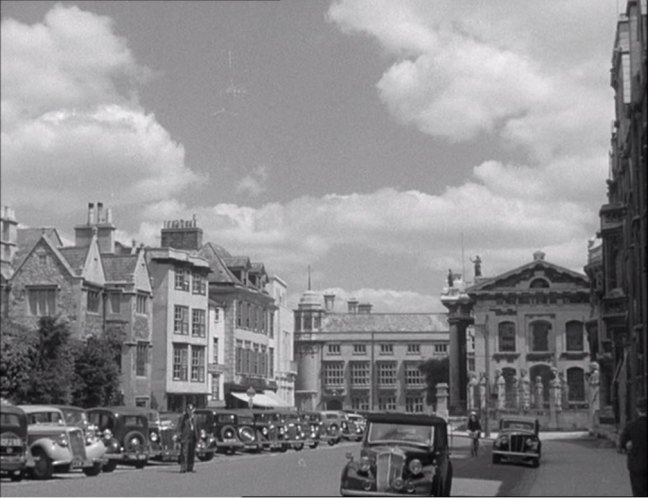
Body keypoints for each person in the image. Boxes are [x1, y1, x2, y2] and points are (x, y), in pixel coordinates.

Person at [619, 398, 647, 496]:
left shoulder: (631, 426)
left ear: (637, 410)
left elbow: (622, 444)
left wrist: (627, 444)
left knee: (638, 492)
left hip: (636, 465)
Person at [176, 403, 200, 473]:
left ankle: (190, 467)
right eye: (188, 410)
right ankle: (183, 468)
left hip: (193, 437)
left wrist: (199, 438)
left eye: (191, 410)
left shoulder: (196, 417)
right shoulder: (183, 418)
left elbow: (198, 428)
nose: (190, 411)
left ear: (194, 410)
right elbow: (179, 427)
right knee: (184, 453)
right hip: (185, 437)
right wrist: (178, 435)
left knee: (191, 453)